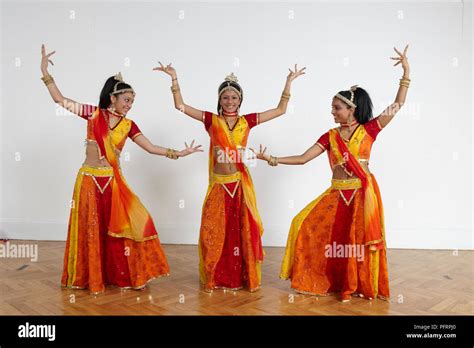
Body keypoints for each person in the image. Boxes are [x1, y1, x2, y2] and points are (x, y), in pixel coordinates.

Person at [251, 45, 410, 301]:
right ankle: (327, 280)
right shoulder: (330, 136)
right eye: (332, 107)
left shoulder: (370, 130)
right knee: (304, 224)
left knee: (356, 244)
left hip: (362, 195)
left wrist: (406, 72)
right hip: (338, 194)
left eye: (337, 107)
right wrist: (271, 158)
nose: (332, 111)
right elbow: (303, 158)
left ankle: (359, 285)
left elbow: (398, 104)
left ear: (352, 109)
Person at [40, 45, 203, 294]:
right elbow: (60, 101)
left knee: (126, 227)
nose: (129, 105)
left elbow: (149, 147)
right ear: (112, 98)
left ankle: (125, 275)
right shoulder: (93, 115)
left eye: (132, 102)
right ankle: (90, 278)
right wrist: (45, 73)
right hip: (89, 181)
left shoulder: (129, 125)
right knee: (91, 230)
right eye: (127, 100)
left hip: (112, 183)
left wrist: (177, 153)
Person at [155, 63, 305, 291]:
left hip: (239, 184)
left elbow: (280, 110)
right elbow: (181, 107)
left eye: (234, 97)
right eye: (225, 97)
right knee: (212, 230)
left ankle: (242, 277)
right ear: (220, 99)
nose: (230, 101)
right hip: (219, 184)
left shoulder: (248, 121)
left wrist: (288, 83)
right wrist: (174, 79)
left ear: (240, 100)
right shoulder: (211, 120)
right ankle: (216, 276)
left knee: (241, 232)